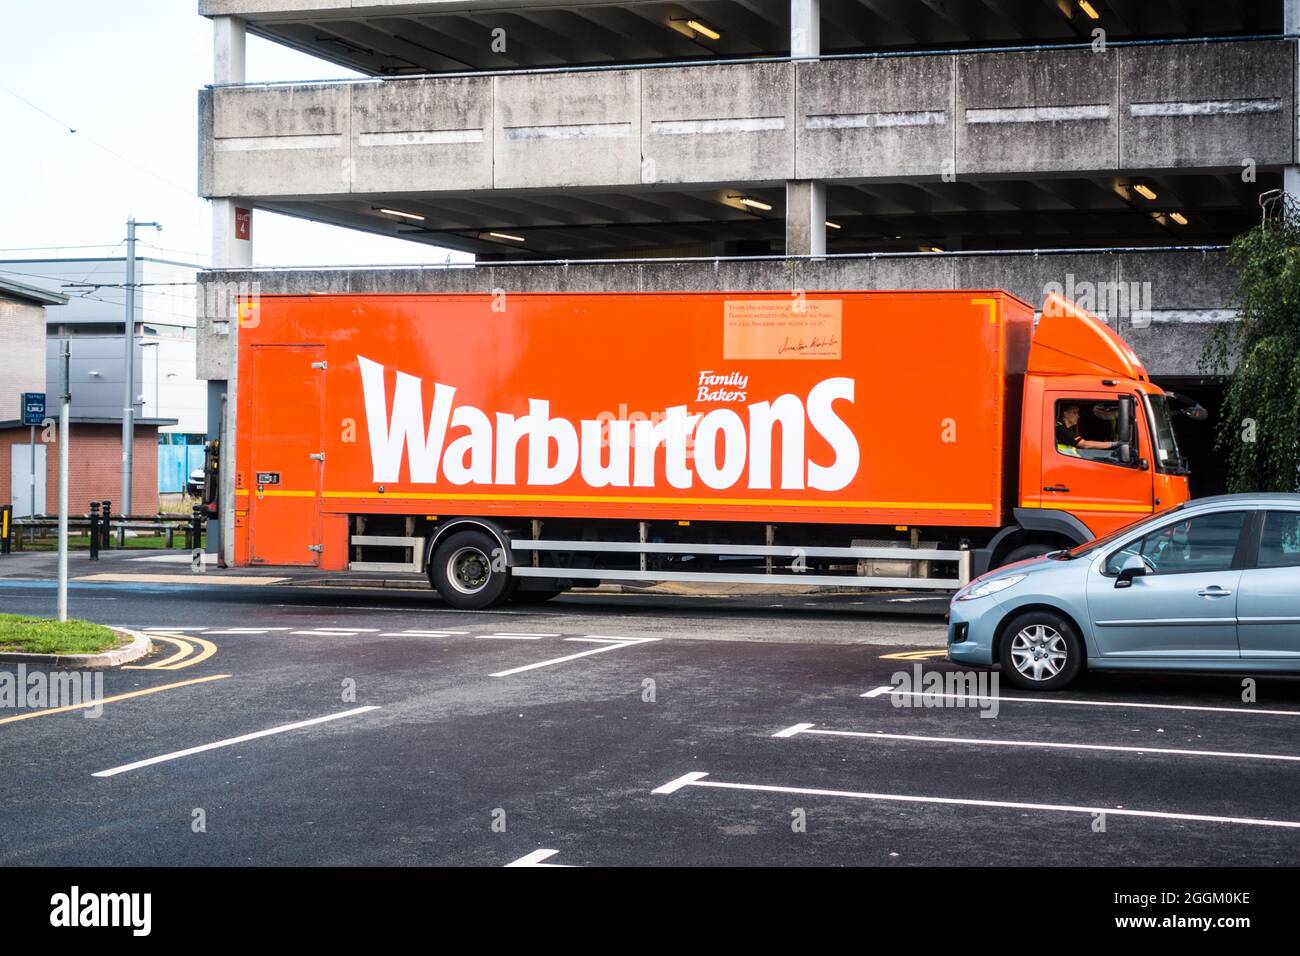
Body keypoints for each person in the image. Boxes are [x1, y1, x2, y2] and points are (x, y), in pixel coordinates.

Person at [1055, 402, 1120, 458]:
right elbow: (1085, 444)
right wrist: (1114, 444)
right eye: (1075, 413)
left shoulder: (1063, 427)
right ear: (1065, 414)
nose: (1078, 416)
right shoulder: (1060, 429)